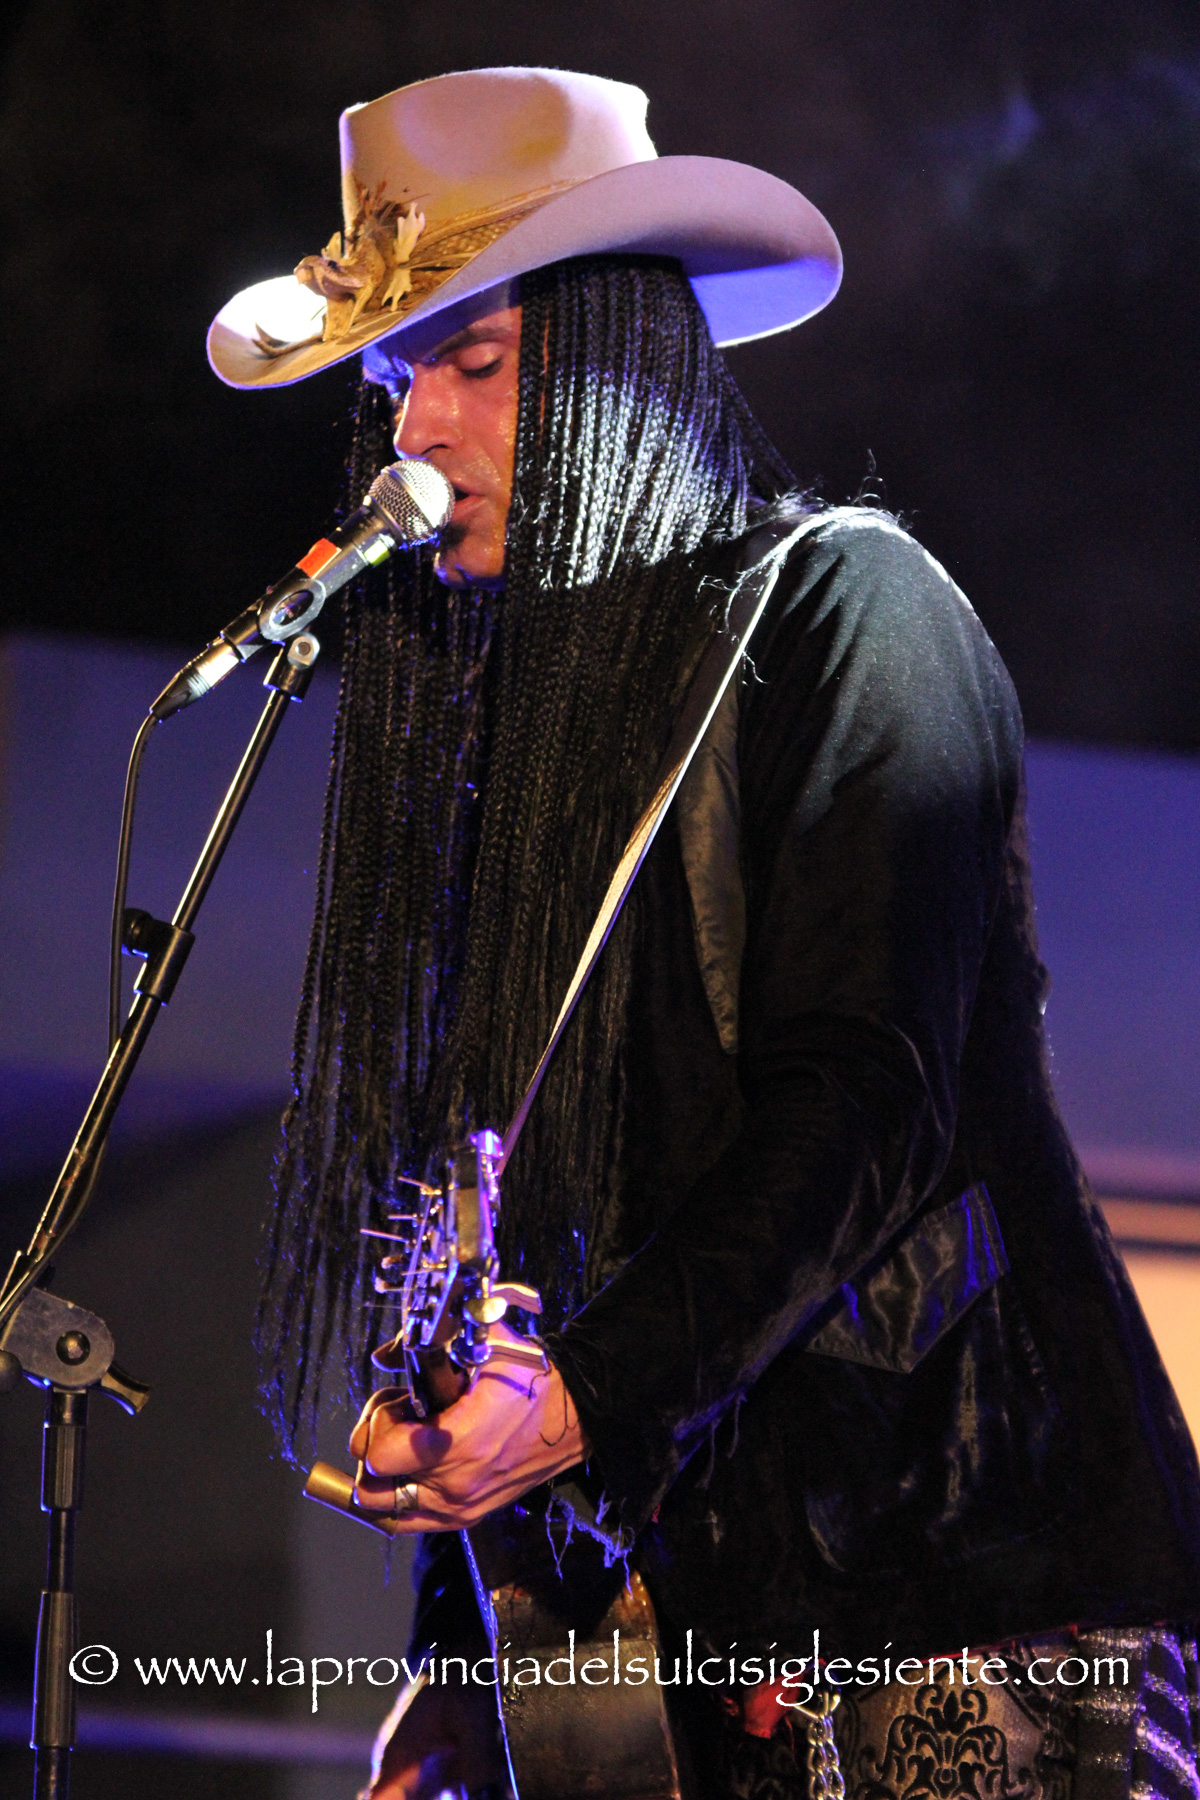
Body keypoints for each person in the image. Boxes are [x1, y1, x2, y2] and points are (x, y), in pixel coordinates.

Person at [208, 67, 1200, 1800]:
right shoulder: (519, 751)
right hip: (667, 1649)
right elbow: (511, 1228)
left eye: (475, 362)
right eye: (395, 378)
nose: (418, 431)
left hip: (955, 1588)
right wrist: (466, 1652)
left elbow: (866, 1091)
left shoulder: (851, 609)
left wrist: (580, 1401)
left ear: (623, 363)